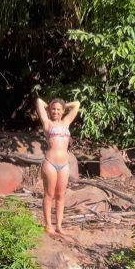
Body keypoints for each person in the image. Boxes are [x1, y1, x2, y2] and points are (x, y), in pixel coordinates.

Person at [36, 97, 81, 236]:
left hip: (64, 165)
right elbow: (38, 101)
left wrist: (63, 104)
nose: (55, 111)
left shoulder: (66, 122)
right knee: (49, 194)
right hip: (50, 163)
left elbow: (77, 104)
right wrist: (50, 105)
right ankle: (48, 225)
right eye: (53, 109)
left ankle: (59, 226)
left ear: (62, 111)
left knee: (60, 196)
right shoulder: (47, 123)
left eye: (58, 109)